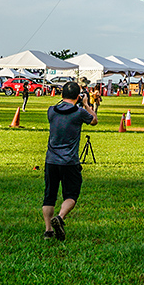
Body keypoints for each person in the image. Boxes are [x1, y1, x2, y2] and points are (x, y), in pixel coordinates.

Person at [42, 82, 98, 240]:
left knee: (49, 195)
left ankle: (48, 231)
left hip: (51, 160)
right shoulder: (79, 112)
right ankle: (60, 217)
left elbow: (61, 108)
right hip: (69, 161)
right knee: (71, 195)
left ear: (61, 95)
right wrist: (86, 104)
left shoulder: (51, 111)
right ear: (78, 96)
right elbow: (94, 120)